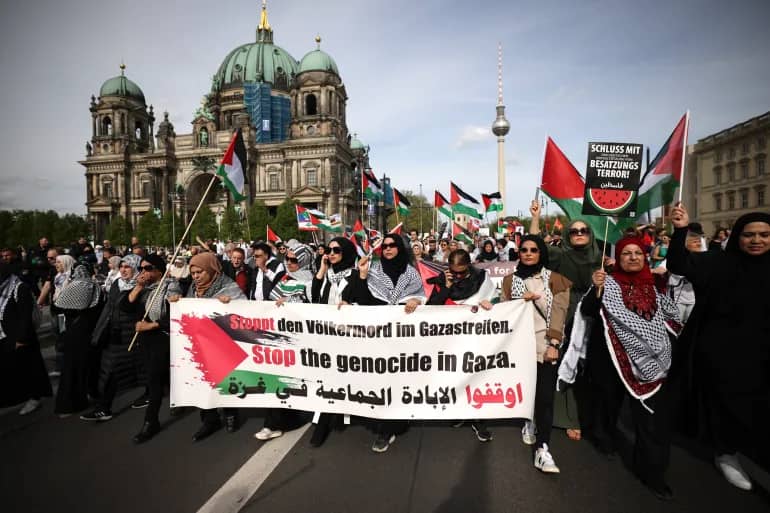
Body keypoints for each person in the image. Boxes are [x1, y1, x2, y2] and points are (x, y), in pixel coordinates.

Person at [562, 236, 681, 500]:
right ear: (618, 257)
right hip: (610, 357)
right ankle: (605, 440)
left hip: (652, 362)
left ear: (645, 257)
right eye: (626, 253)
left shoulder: (655, 286)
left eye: (638, 253)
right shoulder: (608, 282)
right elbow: (590, 310)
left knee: (651, 421)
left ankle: (652, 473)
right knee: (608, 404)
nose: (633, 257)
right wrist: (596, 289)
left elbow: (670, 318)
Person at [668, 205, 770, 491]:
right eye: (749, 235)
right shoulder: (718, 263)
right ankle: (725, 453)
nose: (756, 240)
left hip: (763, 352)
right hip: (723, 352)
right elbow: (679, 264)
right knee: (729, 405)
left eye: (764, 235)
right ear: (738, 237)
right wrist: (680, 231)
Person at [530, 199, 606, 442]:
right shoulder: (560, 255)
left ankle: (589, 416)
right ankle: (567, 418)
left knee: (588, 367)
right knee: (564, 363)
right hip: (565, 310)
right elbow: (536, 245)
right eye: (574, 231)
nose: (579, 234)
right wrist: (535, 217)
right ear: (567, 235)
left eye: (584, 231)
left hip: (594, 314)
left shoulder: (603, 258)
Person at [501, 236, 571, 473]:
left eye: (534, 250)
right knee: (527, 391)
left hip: (545, 347)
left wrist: (554, 344)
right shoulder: (510, 280)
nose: (529, 253)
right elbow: (504, 312)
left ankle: (543, 449)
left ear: (542, 253)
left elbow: (560, 314)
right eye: (524, 250)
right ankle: (528, 421)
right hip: (519, 348)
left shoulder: (557, 280)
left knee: (545, 397)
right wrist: (516, 302)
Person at [352, 234, 425, 452]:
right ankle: (384, 425)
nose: (388, 249)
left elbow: (423, 297)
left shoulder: (412, 274)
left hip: (402, 338)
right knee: (379, 381)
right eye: (384, 246)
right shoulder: (372, 269)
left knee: (399, 381)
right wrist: (362, 276)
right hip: (376, 336)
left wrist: (417, 301)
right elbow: (362, 300)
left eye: (393, 245)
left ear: (401, 248)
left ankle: (393, 424)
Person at [175, 252, 246, 441]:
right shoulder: (192, 288)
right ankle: (209, 419)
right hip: (200, 345)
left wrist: (231, 305)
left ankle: (231, 414)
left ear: (213, 271)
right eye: (193, 273)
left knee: (225, 380)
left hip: (222, 345)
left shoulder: (229, 286)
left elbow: (245, 310)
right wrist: (177, 303)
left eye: (200, 272)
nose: (196, 276)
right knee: (202, 383)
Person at [427, 248, 495, 442]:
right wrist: (447, 286)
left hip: (475, 336)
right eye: (453, 271)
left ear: (469, 266)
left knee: (476, 376)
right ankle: (459, 412)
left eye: (461, 272)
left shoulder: (482, 279)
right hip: (449, 339)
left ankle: (478, 420)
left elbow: (493, 300)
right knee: (454, 376)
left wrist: (490, 304)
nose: (457, 275)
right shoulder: (441, 280)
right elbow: (432, 308)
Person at [255, 241, 316, 442]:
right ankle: (273, 423)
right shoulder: (285, 278)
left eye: (293, 259)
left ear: (304, 260)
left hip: (298, 340)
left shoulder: (310, 281)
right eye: (286, 259)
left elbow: (313, 307)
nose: (288, 263)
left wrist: (290, 305)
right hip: (278, 337)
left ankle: (285, 420)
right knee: (275, 380)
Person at [120, 254, 181, 443]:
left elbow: (174, 315)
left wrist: (151, 325)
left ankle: (150, 421)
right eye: (141, 268)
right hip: (145, 342)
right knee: (162, 376)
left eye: (148, 268)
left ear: (159, 271)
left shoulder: (171, 287)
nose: (143, 272)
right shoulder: (143, 289)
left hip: (162, 340)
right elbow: (125, 306)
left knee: (154, 381)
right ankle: (177, 398)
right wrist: (138, 286)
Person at [309, 237, 361, 447]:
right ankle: (324, 418)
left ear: (346, 253)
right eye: (328, 250)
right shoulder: (327, 274)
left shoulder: (356, 275)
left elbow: (363, 301)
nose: (330, 254)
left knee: (339, 377)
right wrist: (322, 269)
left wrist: (350, 305)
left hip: (346, 335)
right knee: (326, 377)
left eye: (336, 250)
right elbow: (314, 296)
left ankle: (324, 422)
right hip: (324, 334)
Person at [80, 255, 145, 421]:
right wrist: (99, 329)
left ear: (136, 268)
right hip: (114, 333)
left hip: (133, 334)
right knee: (110, 369)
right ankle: (104, 407)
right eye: (121, 266)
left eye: (127, 267)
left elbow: (130, 307)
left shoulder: (144, 286)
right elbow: (109, 307)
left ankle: (149, 394)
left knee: (133, 368)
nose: (123, 270)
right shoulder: (117, 283)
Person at [0, 250, 52, 414]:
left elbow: (25, 316)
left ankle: (34, 398)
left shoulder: (18, 288)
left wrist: (22, 338)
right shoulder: (2, 290)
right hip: (5, 336)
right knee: (11, 370)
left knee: (29, 369)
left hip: (22, 338)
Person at [53, 263, 103, 417]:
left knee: (71, 370)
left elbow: (58, 307)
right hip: (89, 333)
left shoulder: (78, 285)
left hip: (75, 334)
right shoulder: (95, 286)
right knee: (86, 366)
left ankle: (69, 405)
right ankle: (89, 394)